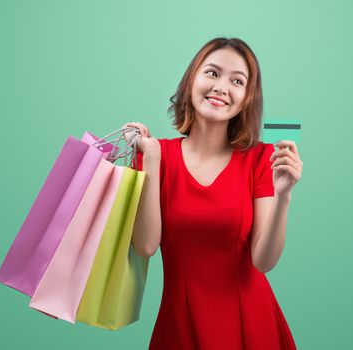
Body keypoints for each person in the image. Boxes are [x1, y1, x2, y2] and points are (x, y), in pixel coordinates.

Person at [123, 37, 303, 350]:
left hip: (251, 325)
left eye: (237, 81)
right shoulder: (154, 155)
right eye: (212, 73)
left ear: (247, 99)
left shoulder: (260, 159)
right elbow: (147, 245)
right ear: (191, 81)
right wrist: (150, 155)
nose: (222, 87)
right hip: (180, 324)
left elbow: (263, 262)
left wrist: (284, 196)